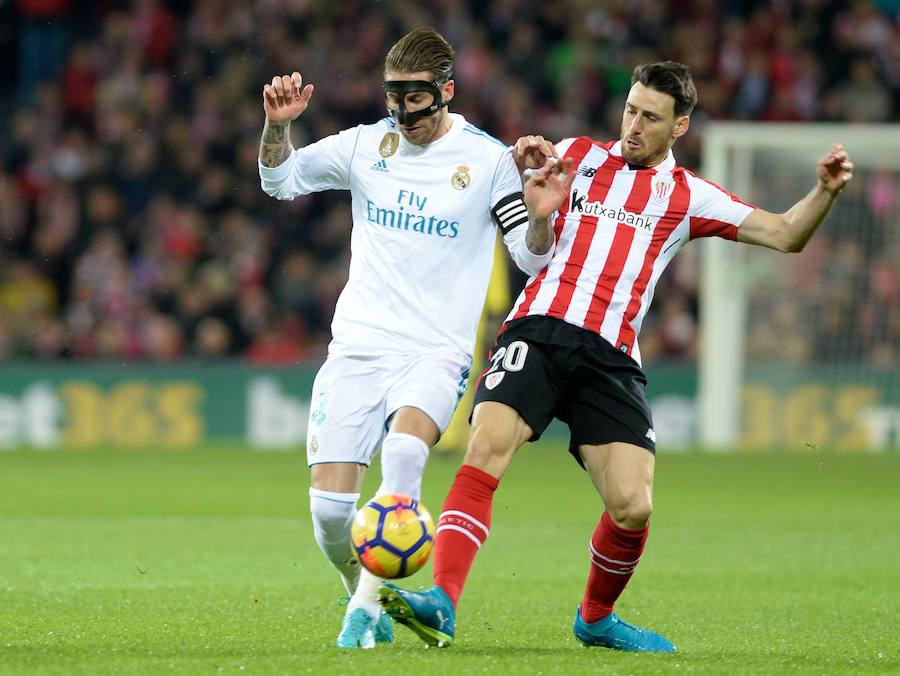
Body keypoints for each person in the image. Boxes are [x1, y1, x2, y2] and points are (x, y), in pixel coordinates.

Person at [380, 61, 854, 652]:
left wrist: (826, 192)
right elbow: (532, 241)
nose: (633, 125)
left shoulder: (688, 196)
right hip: (540, 328)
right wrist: (539, 208)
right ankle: (443, 601)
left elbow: (786, 233)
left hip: (610, 355)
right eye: (631, 109)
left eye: (650, 117)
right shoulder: (576, 156)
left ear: (679, 127)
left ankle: (595, 618)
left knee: (633, 506)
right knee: (485, 448)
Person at [257, 28, 558, 649]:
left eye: (417, 101)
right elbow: (280, 182)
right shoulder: (368, 145)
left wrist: (541, 216)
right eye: (395, 99)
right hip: (358, 347)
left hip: (436, 350)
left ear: (446, 91)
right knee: (330, 515)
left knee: (404, 452)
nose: (406, 116)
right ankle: (364, 590)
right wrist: (277, 129)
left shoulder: (488, 159)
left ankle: (362, 620)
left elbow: (529, 262)